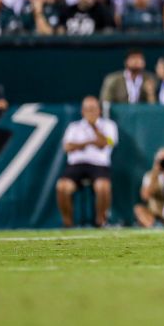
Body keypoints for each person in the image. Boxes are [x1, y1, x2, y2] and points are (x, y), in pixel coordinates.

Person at [55, 96, 118, 228]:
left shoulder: (109, 125)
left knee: (103, 187)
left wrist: (94, 128)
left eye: (94, 109)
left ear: (99, 110)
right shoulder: (74, 126)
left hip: (99, 165)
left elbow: (108, 142)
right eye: (88, 109)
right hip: (76, 165)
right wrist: (89, 142)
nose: (91, 112)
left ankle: (101, 221)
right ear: (82, 111)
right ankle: (68, 223)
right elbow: (67, 147)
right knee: (62, 187)